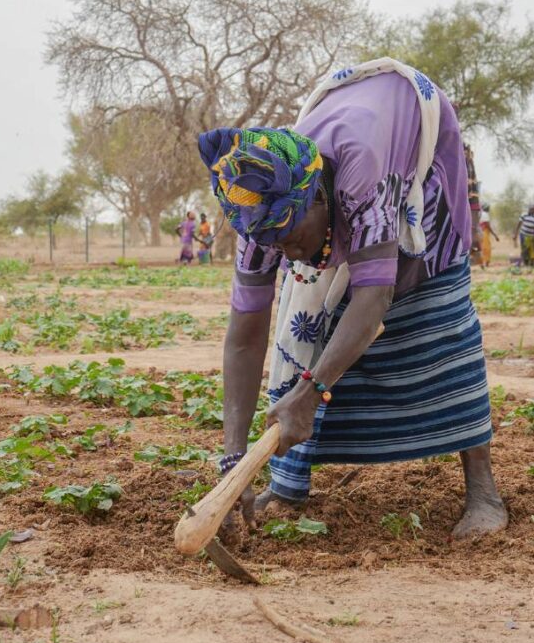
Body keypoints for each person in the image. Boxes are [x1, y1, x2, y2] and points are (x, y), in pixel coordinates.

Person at [199, 58, 506, 540]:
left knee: (434, 305)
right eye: (270, 242)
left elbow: (374, 297)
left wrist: (312, 392)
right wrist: (233, 458)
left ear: (320, 201)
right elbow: (245, 334)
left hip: (419, 150)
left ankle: (483, 489)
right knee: (308, 324)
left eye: (289, 236)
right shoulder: (256, 211)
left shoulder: (361, 177)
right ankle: (286, 486)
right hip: (357, 139)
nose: (282, 251)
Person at [478, 202, 499, 269]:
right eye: (488, 207)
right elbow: (488, 226)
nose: (489, 208)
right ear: (486, 208)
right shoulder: (485, 214)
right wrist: (495, 235)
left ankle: (482, 263)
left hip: (480, 232)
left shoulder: (480, 214)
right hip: (484, 232)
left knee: (482, 248)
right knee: (486, 248)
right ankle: (486, 262)